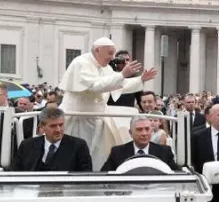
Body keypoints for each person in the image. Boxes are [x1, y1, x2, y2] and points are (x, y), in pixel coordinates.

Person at [58, 37, 157, 170]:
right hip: (78, 119)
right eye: (110, 53)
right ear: (98, 50)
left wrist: (141, 79)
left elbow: (119, 85)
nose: (112, 58)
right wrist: (121, 75)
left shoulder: (105, 68)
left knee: (97, 155)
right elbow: (94, 85)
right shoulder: (81, 63)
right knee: (75, 155)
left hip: (97, 119)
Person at [11, 107, 92, 172]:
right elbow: (15, 173)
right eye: (53, 126)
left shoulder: (78, 146)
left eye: (61, 125)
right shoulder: (27, 146)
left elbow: (86, 176)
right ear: (42, 126)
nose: (58, 130)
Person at [101, 116, 178, 171]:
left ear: (151, 131)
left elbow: (177, 175)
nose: (144, 133)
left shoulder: (164, 151)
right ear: (130, 133)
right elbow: (104, 176)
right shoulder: (117, 152)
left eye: (147, 129)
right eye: (139, 130)